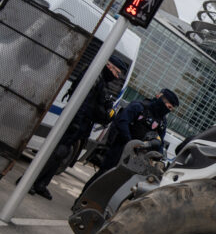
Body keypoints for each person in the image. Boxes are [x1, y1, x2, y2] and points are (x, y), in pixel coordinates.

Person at [29, 55, 128, 200]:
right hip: (74, 121)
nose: (116, 77)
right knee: (54, 152)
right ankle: (30, 181)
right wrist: (76, 122)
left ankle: (42, 184)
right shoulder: (93, 76)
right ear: (109, 65)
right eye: (116, 72)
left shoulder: (101, 82)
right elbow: (83, 102)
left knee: (61, 155)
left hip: (82, 124)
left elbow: (99, 106)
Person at [79, 88, 179, 192]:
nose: (169, 110)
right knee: (105, 174)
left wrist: (159, 158)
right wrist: (130, 142)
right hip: (121, 148)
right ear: (160, 98)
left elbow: (160, 141)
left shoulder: (162, 121)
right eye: (168, 106)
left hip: (139, 157)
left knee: (120, 184)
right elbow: (122, 122)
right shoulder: (139, 106)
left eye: (171, 109)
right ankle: (83, 199)